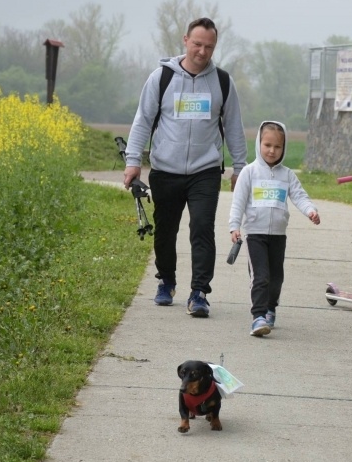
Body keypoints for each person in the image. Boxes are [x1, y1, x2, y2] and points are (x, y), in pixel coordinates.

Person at [123, 17, 247, 318]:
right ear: (185, 41)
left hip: (205, 171)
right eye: (197, 44)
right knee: (165, 231)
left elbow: (233, 128)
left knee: (202, 228)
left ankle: (199, 292)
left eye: (209, 46)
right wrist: (133, 161)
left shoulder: (222, 82)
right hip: (166, 169)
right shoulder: (161, 78)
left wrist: (239, 168)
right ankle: (166, 281)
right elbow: (142, 120)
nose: (202, 52)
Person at [229, 121, 320, 336]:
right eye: (267, 145)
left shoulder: (287, 175)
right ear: (259, 144)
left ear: (284, 148)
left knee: (276, 277)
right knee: (260, 277)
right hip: (255, 236)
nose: (272, 151)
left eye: (277, 147)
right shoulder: (249, 173)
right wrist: (234, 226)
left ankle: (270, 308)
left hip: (278, 236)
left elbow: (299, 196)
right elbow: (238, 202)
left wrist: (310, 211)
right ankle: (258, 316)